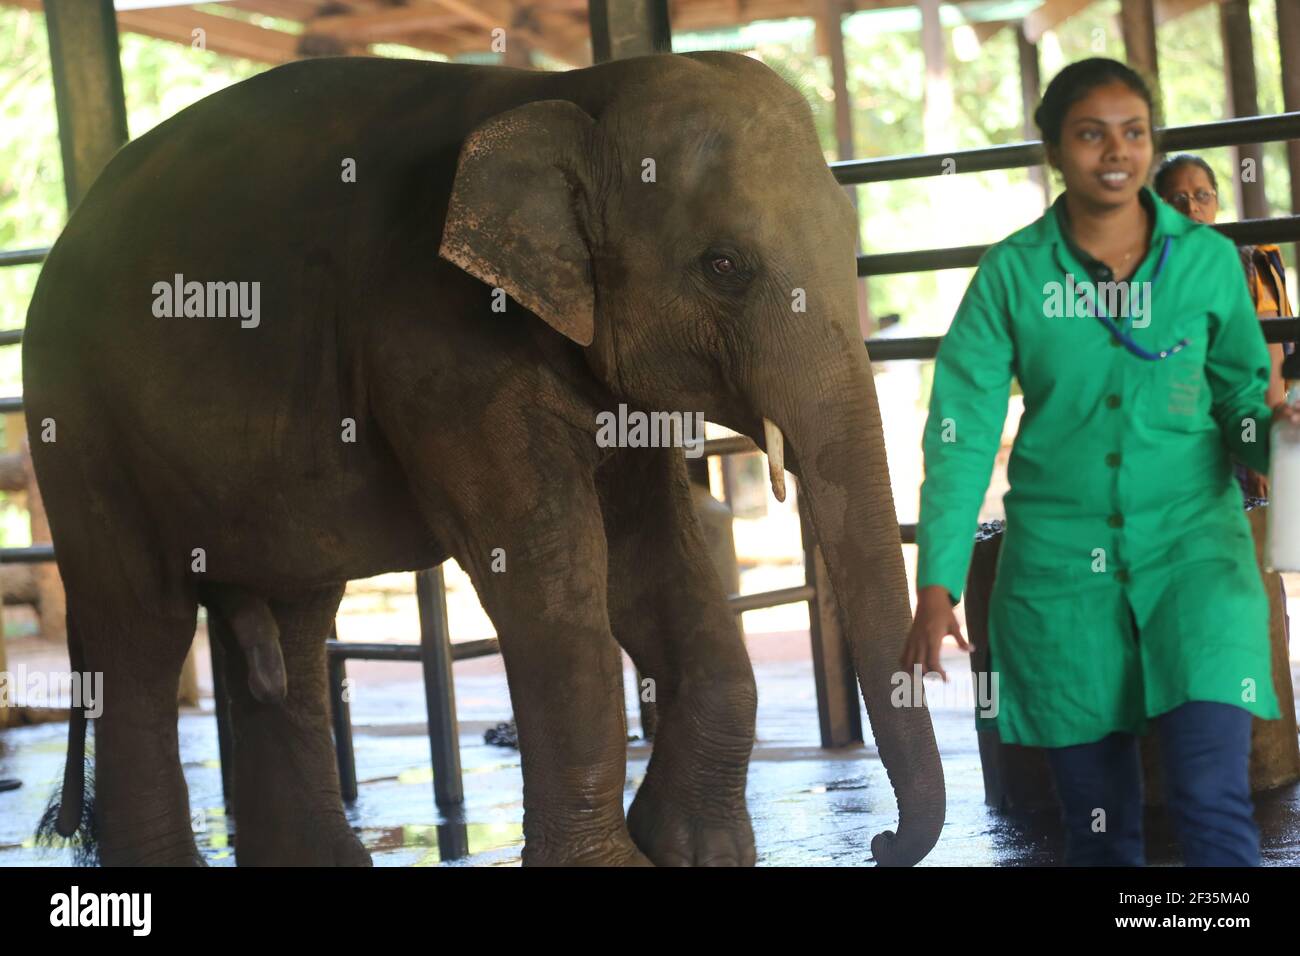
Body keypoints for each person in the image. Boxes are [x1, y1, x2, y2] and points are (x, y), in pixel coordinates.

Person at [902, 57, 1300, 866]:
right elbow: (961, 430)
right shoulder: (1013, 276)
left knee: (1213, 804)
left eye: (1133, 132)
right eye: (1091, 134)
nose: (1116, 152)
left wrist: (1275, 435)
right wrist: (937, 579)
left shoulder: (1206, 264)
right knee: (1097, 832)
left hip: (1196, 556)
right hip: (1059, 581)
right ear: (1054, 148)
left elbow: (1238, 406)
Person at [1154, 153, 1296, 498]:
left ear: (1216, 201)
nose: (1192, 208)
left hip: (1239, 428)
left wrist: (1263, 453)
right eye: (1178, 199)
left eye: (1202, 195)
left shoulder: (1244, 259)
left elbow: (1270, 355)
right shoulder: (1147, 271)